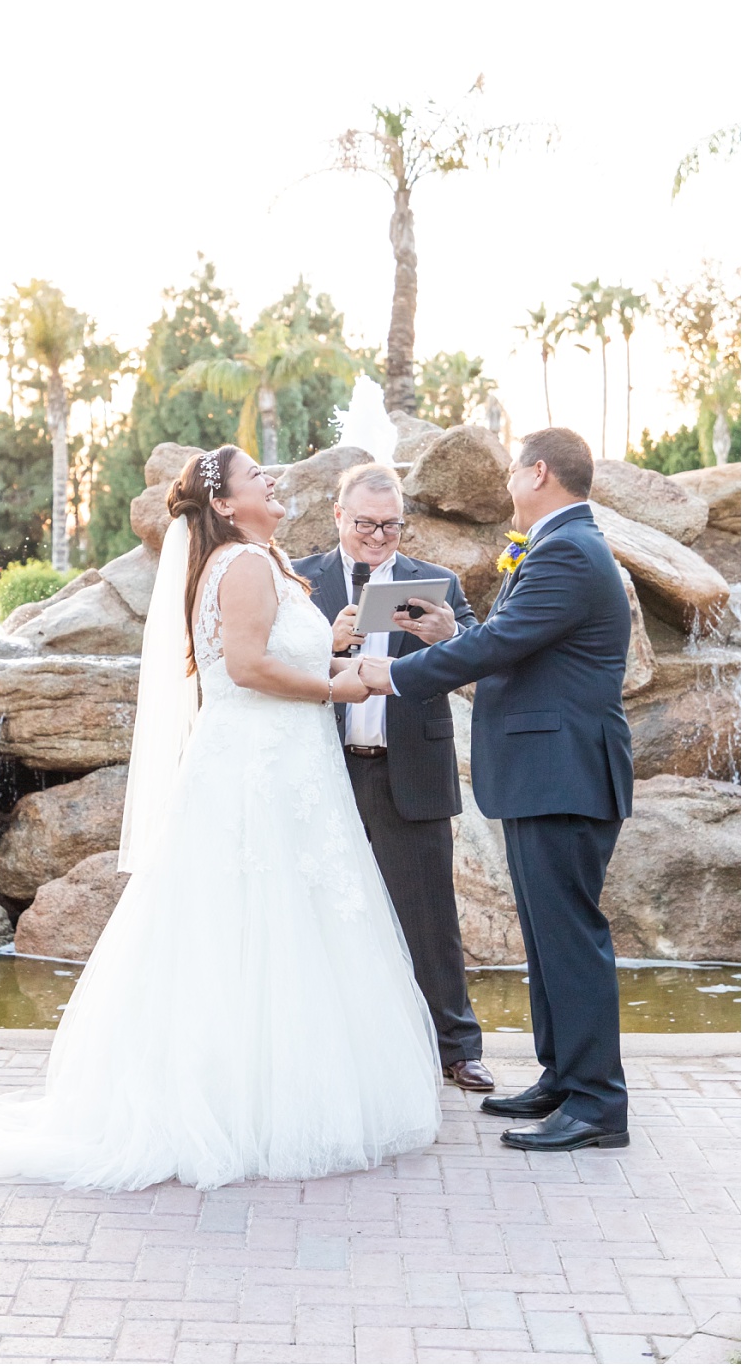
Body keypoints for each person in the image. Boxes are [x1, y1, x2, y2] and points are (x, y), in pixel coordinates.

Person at [0, 445, 442, 1190]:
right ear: (225, 504)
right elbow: (244, 669)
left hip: (287, 761)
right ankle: (235, 1105)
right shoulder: (239, 566)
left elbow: (290, 659)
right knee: (245, 918)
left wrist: (362, 669)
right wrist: (340, 692)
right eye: (254, 478)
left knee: (294, 920)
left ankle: (280, 1086)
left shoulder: (263, 560)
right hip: (253, 767)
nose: (270, 482)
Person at [359, 428, 634, 1152]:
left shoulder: (567, 550)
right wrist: (450, 629)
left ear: (537, 472)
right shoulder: (557, 547)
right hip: (546, 772)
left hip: (563, 774)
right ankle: (563, 1077)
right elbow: (513, 640)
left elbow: (496, 646)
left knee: (570, 938)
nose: (509, 478)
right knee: (547, 940)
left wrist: (390, 674)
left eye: (514, 466)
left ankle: (598, 1103)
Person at [293, 462, 493, 1093]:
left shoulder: (438, 584)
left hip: (409, 768)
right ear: (337, 517)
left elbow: (475, 665)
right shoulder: (301, 580)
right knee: (320, 911)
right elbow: (271, 669)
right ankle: (331, 1047)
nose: (379, 537)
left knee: (429, 914)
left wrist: (449, 634)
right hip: (324, 772)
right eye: (365, 525)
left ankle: (457, 1049)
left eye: (390, 526)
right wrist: (325, 640)